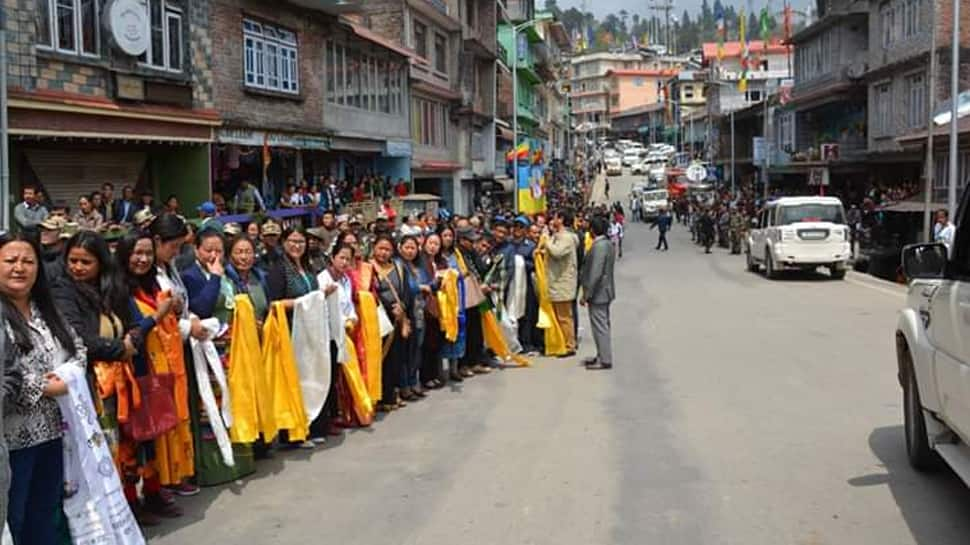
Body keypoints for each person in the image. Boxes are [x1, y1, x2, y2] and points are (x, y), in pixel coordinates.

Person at [0, 230, 86, 544]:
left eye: (28, 261)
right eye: (10, 260)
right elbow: (5, 376)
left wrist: (71, 377)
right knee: (13, 520)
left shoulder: (47, 310)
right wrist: (43, 387)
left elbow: (79, 349)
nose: (19, 268)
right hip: (11, 442)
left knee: (45, 514)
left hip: (54, 433)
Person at [373, 234, 412, 410]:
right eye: (380, 248)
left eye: (387, 249)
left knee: (395, 358)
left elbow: (405, 291)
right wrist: (389, 307)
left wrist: (401, 308)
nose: (383, 252)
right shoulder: (369, 268)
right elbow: (371, 292)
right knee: (380, 358)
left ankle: (390, 394)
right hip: (379, 318)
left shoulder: (399, 267)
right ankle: (379, 397)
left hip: (398, 318)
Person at [580, 216, 615, 370]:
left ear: (592, 230)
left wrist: (587, 294)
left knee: (600, 326)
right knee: (602, 325)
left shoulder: (600, 246)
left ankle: (605, 359)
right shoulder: (606, 244)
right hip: (604, 291)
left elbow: (596, 272)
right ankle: (601, 354)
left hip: (599, 292)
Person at [544, 210, 579, 357]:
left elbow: (557, 252)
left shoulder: (567, 238)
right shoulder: (559, 236)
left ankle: (569, 345)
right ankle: (562, 342)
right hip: (556, 282)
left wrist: (546, 240)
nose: (553, 220)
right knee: (560, 316)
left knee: (565, 317)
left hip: (562, 283)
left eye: (556, 218)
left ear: (562, 219)